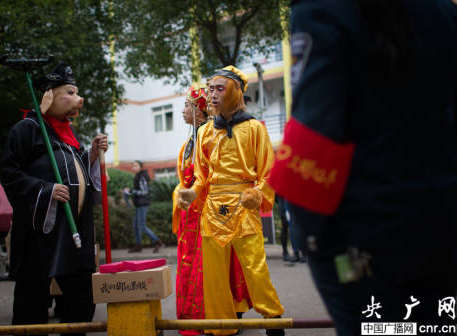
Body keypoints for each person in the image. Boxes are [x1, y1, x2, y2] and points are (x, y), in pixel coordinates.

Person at [269, 1, 457, 335]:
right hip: (442, 232)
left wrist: (314, 243)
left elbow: (314, 132)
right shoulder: (443, 10)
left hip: (364, 244)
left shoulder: (323, 8)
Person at [0, 63, 108, 335]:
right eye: (69, 93)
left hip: (74, 232)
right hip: (41, 235)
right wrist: (45, 189)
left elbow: (73, 172)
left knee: (82, 300)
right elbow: (10, 174)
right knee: (32, 302)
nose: (77, 99)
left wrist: (91, 155)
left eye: (77, 93)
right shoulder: (26, 130)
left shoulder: (68, 134)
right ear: (48, 96)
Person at [178, 66, 285, 336]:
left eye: (219, 89)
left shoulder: (255, 128)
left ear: (236, 91)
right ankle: (222, 327)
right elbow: (202, 176)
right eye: (210, 89)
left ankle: (273, 318)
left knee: (255, 267)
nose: (212, 94)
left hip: (243, 205)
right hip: (213, 209)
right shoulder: (204, 132)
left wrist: (257, 193)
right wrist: (193, 192)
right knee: (213, 274)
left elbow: (268, 171)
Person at [172, 85, 252, 335]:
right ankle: (196, 315)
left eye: (188, 105)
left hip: (213, 212)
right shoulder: (189, 143)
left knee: (217, 267)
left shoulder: (215, 137)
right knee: (191, 264)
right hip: (191, 215)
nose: (184, 110)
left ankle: (223, 315)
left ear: (201, 109)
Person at [125, 160, 164, 253]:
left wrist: (132, 192)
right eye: (133, 166)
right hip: (139, 204)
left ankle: (158, 242)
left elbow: (145, 191)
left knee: (142, 226)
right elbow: (139, 189)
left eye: (136, 165)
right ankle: (138, 246)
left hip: (143, 204)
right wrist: (131, 190)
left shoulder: (142, 177)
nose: (133, 167)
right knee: (136, 226)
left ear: (140, 167)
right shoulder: (138, 176)